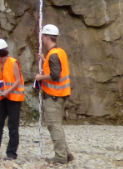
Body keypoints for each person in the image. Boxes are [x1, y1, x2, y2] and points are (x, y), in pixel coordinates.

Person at [34, 24, 74, 164]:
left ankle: (60, 157)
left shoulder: (53, 55)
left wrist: (40, 78)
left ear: (46, 37)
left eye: (42, 36)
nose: (42, 39)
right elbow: (57, 68)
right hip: (61, 94)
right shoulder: (58, 52)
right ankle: (66, 154)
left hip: (54, 95)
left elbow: (55, 75)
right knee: (56, 125)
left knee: (53, 125)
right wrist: (44, 60)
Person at [0, 38, 24, 160]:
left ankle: (11, 154)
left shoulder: (13, 62)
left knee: (12, 127)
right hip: (3, 98)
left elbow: (18, 80)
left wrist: (8, 91)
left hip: (15, 99)